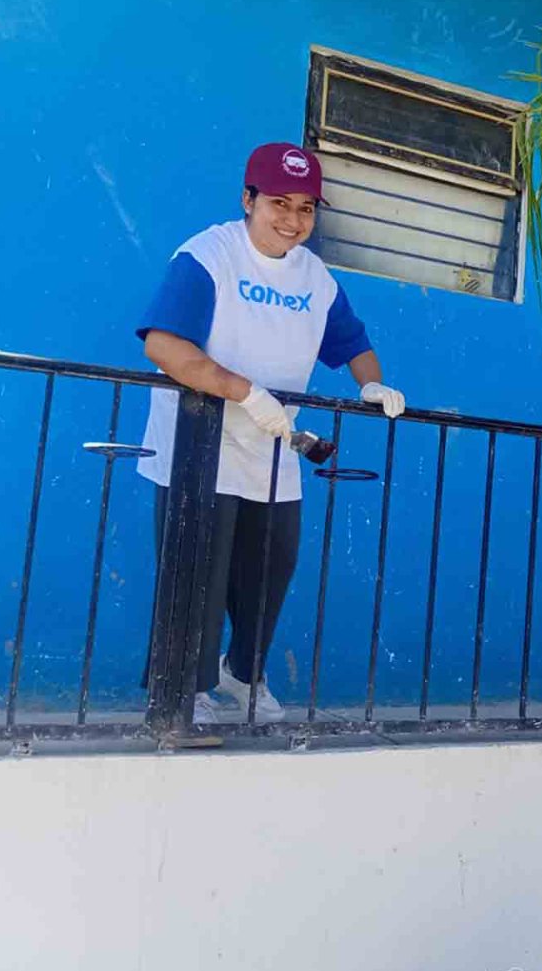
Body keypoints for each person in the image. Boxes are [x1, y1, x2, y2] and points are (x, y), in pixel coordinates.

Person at [135, 142, 406, 725]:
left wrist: (372, 386)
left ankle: (242, 674)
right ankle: (188, 691)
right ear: (248, 199)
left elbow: (352, 344)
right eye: (278, 203)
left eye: (306, 208)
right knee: (198, 573)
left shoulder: (316, 277)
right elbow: (163, 345)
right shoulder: (208, 256)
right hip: (197, 444)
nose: (292, 219)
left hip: (273, 448)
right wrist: (243, 390)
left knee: (270, 569)